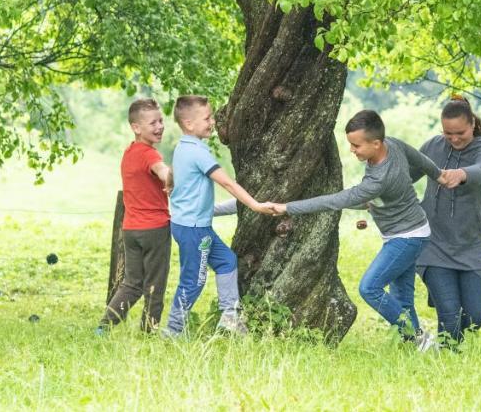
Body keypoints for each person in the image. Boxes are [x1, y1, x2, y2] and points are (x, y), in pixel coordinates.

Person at [263, 109, 448, 351]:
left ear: (376, 143)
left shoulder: (379, 179)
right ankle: (418, 347)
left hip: (407, 237)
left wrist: (287, 207)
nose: (352, 150)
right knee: (402, 296)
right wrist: (440, 176)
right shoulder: (392, 145)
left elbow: (338, 200)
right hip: (412, 230)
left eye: (356, 145)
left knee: (370, 287)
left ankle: (418, 338)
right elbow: (421, 160)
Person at [164, 95, 266, 337]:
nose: (212, 122)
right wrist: (256, 205)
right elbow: (227, 183)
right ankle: (173, 330)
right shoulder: (198, 153)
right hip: (193, 229)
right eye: (207, 118)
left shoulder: (185, 147)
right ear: (189, 123)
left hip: (195, 226)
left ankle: (230, 316)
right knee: (194, 281)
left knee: (226, 261)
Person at [416, 95, 481, 346]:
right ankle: (447, 358)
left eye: (459, 132)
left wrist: (460, 174)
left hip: (471, 247)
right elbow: (406, 174)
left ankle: (446, 345)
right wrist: (378, 193)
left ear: (472, 124)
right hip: (434, 244)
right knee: (450, 318)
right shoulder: (433, 147)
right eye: (447, 133)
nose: (453, 138)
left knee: (476, 316)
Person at [97, 98, 173, 333]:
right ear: (136, 127)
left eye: (161, 121)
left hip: (131, 230)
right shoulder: (150, 155)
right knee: (154, 287)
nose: (159, 126)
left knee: (131, 284)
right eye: (153, 123)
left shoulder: (129, 153)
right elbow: (163, 172)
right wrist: (174, 177)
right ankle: (149, 334)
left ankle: (103, 327)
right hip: (155, 229)